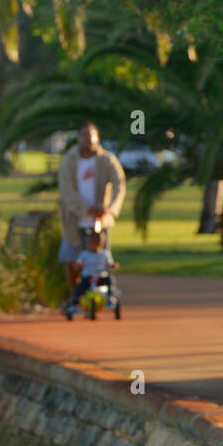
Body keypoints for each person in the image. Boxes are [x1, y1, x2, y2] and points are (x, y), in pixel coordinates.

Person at [57, 123, 125, 316]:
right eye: (85, 135)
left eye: (92, 135)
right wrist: (86, 209)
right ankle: (75, 298)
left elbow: (119, 184)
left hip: (100, 222)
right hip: (75, 220)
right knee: (71, 261)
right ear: (79, 138)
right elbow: (66, 190)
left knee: (101, 263)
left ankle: (101, 300)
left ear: (98, 138)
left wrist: (110, 209)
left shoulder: (107, 160)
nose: (89, 139)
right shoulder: (69, 161)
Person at [65, 229, 119, 318]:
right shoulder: (85, 254)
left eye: (96, 242)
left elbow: (109, 264)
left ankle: (110, 297)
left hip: (101, 277)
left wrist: (112, 266)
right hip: (88, 277)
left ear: (101, 243)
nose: (93, 244)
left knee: (109, 279)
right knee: (79, 287)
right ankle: (74, 304)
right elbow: (79, 263)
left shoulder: (105, 254)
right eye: (91, 242)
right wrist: (77, 265)